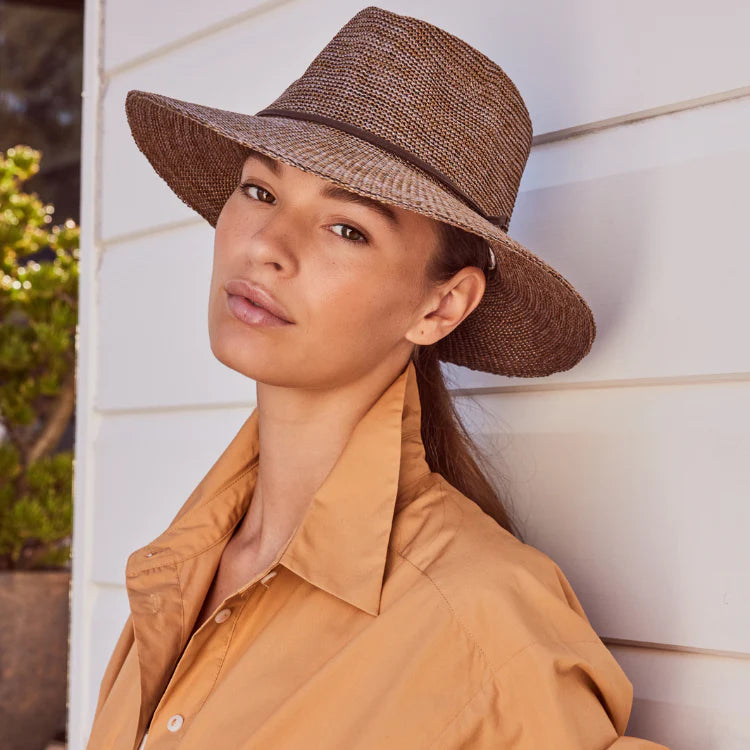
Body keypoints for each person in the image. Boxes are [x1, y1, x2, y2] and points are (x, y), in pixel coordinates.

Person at [87, 6, 670, 749]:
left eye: (346, 229)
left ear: (441, 305)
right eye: (261, 191)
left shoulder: (484, 623)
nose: (266, 245)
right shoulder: (184, 564)